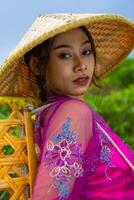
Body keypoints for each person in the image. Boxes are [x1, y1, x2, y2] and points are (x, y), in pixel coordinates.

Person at [0, 13, 134, 199]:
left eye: (86, 52)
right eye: (65, 55)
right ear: (38, 65)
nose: (81, 65)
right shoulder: (74, 113)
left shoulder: (55, 111)